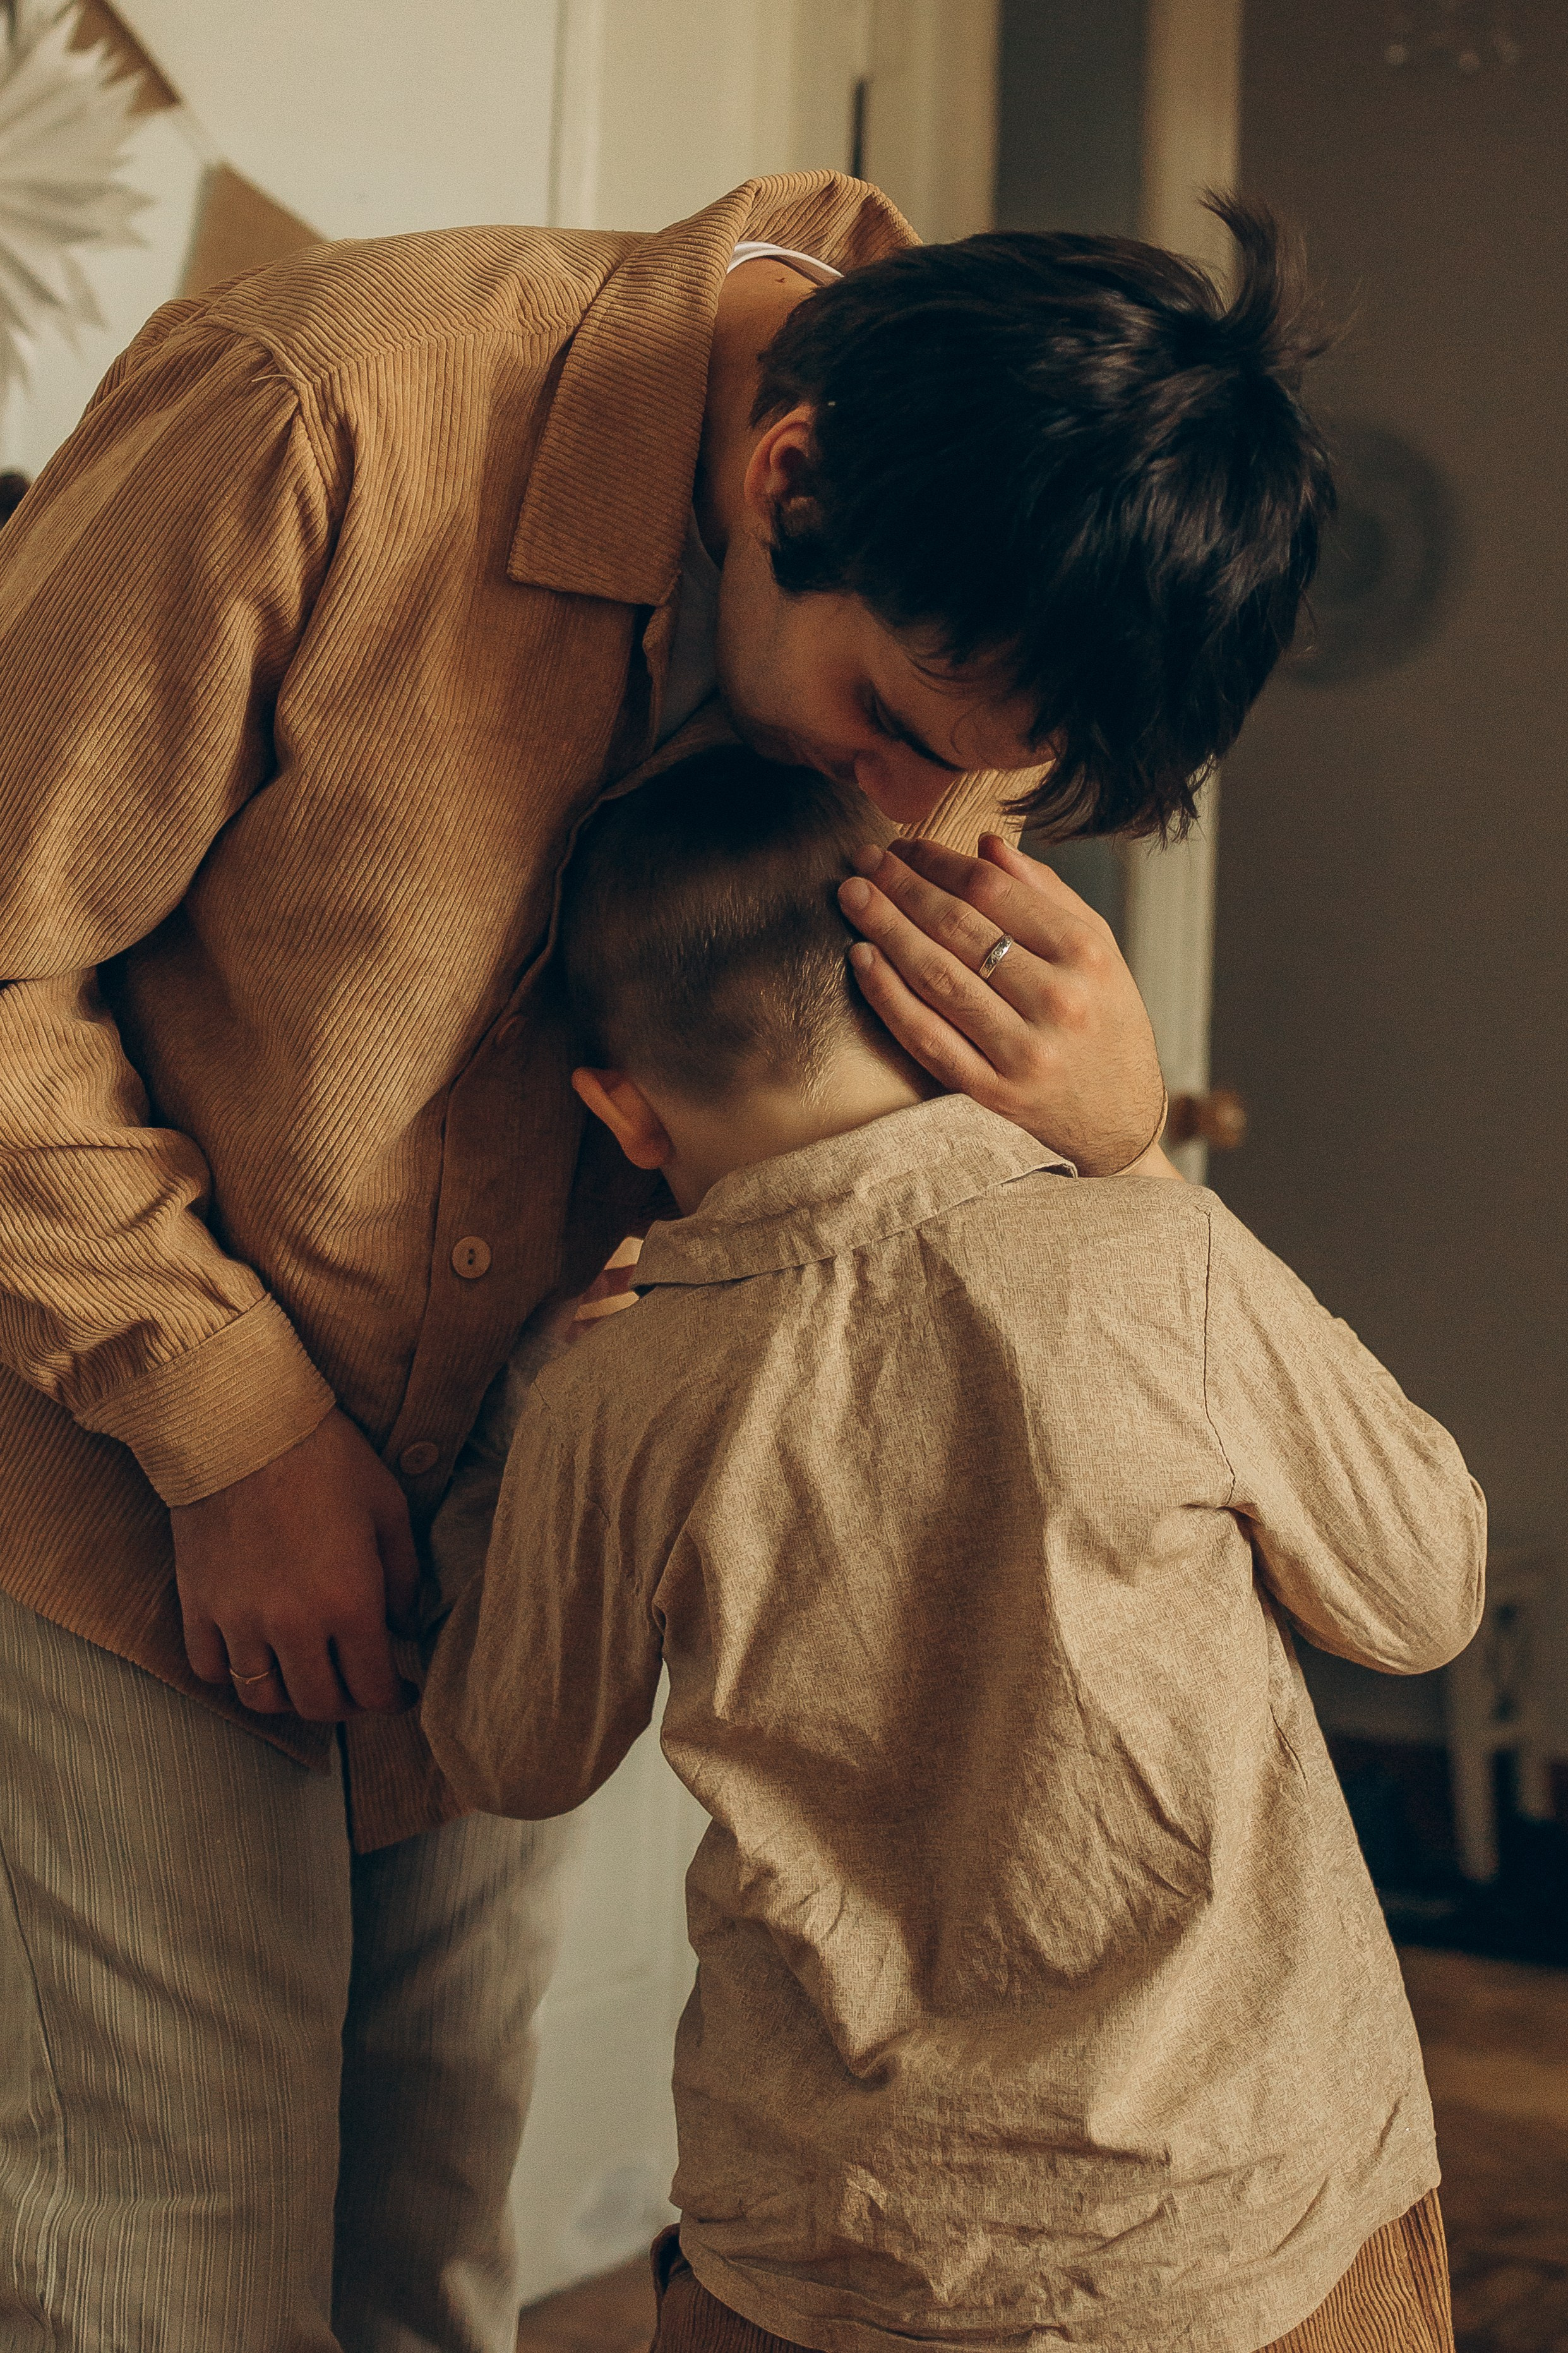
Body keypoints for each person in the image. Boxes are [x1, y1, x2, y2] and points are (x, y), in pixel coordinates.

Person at [0, 172, 1334, 2347]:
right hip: (101, 1492)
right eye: (892, 732)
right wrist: (228, 1426)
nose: (916, 819)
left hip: (516, 1542)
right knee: (168, 2257)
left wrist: (1090, 1132)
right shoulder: (323, 414)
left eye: (998, 790)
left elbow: (858, 1176)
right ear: (781, 474)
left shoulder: (950, 640)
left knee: (436, 2233)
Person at [422, 745, 1482, 2353]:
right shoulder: (1150, 1253)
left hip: (833, 2258)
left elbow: (507, 1750)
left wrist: (516, 1428)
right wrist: (1142, 1168)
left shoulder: (614, 1396)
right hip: (1241, 2222)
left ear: (621, 1111)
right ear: (922, 995)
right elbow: (1424, 1595)